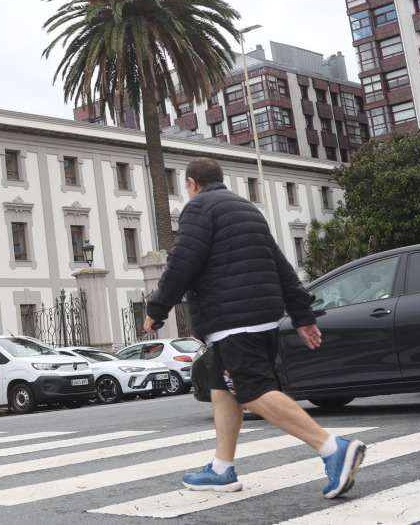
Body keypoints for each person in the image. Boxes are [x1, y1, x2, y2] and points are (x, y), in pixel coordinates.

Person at [143, 157, 365, 499]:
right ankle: (221, 469)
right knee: (222, 388)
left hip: (234, 320)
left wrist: (156, 310)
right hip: (260, 316)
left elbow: (182, 263)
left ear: (191, 183)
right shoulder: (247, 209)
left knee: (252, 390)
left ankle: (332, 448)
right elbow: (280, 264)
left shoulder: (199, 208)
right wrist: (302, 315)